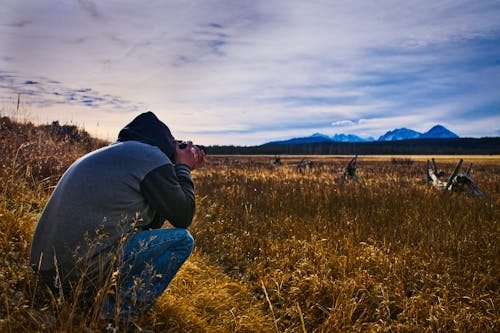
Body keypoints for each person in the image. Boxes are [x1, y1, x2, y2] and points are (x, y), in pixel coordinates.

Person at [29, 111, 206, 325]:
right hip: (72, 274)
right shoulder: (151, 157)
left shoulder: (114, 154)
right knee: (181, 241)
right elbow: (183, 216)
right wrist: (184, 168)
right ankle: (115, 318)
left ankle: (95, 302)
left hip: (45, 272)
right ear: (165, 144)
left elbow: (147, 226)